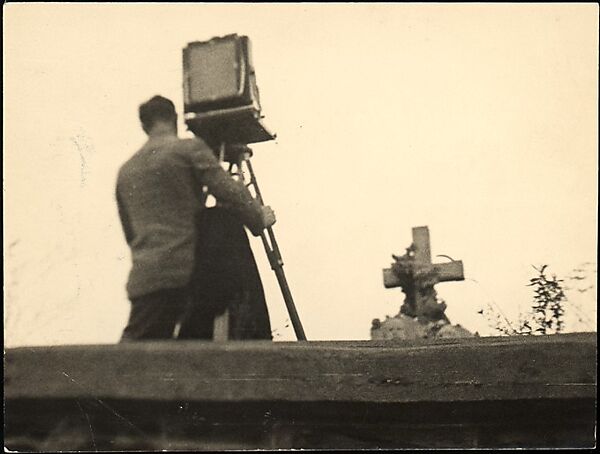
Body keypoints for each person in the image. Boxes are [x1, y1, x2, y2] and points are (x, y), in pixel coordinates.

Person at [116, 95, 275, 341]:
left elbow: (130, 233)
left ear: (144, 125)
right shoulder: (188, 149)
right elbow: (231, 192)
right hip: (189, 277)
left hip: (147, 280)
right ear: (174, 119)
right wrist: (259, 218)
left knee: (136, 358)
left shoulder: (126, 170)